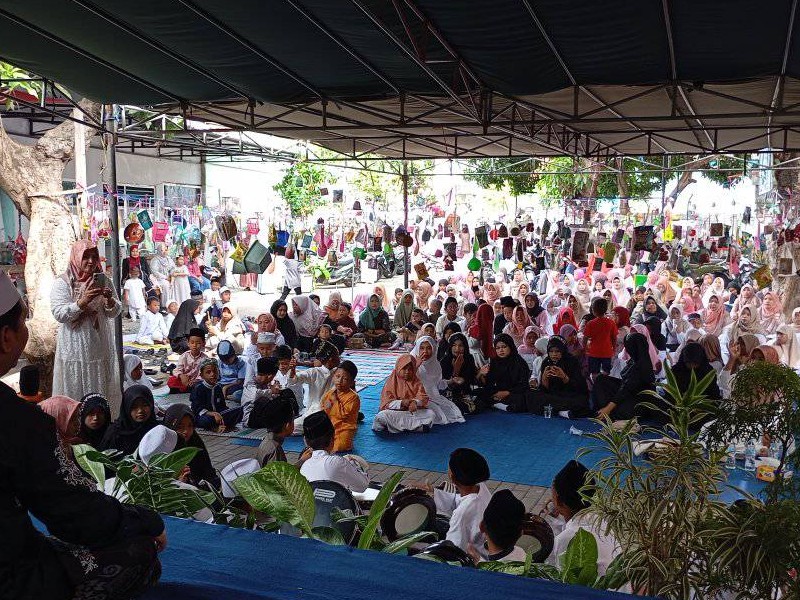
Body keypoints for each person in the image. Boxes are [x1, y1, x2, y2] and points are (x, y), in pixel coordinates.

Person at [0, 270, 166, 599]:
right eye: (23, 321)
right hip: (11, 578)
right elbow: (74, 514)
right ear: (6, 337)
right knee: (139, 553)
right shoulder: (17, 421)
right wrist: (145, 522)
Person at [51, 239, 123, 413]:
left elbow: (114, 312)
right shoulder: (63, 282)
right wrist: (82, 302)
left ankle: (100, 420)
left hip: (100, 344)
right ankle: (76, 423)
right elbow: (59, 314)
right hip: (74, 346)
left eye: (94, 256)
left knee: (100, 384)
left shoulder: (103, 280)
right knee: (75, 385)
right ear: (76, 257)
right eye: (85, 257)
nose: (91, 261)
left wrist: (109, 301)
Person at [546, 460, 619, 577]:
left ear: (558, 500)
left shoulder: (566, 539)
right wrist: (557, 519)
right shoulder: (602, 522)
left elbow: (557, 574)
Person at [430, 448, 492, 559]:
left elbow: (452, 551)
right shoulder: (480, 486)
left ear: (452, 477)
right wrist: (433, 493)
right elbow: (459, 500)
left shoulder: (462, 513)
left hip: (475, 558)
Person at [298, 411, 369, 492]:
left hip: (311, 500)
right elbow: (363, 486)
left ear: (306, 441)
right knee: (357, 462)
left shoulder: (304, 466)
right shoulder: (337, 462)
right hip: (335, 500)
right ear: (332, 439)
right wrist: (353, 464)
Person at [593, 332, 656, 421]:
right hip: (630, 394)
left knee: (620, 412)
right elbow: (624, 385)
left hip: (640, 403)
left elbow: (626, 389)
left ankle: (605, 412)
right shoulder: (636, 360)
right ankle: (603, 410)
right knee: (601, 379)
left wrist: (608, 409)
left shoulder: (641, 366)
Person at [528, 336, 590, 418]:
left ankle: (556, 410)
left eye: (557, 351)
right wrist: (544, 378)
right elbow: (544, 390)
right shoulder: (546, 362)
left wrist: (564, 377)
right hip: (553, 396)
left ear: (563, 350)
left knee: (581, 402)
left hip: (570, 395)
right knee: (532, 395)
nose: (554, 354)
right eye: (551, 351)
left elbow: (580, 388)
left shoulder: (571, 362)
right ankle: (561, 412)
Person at [373, 354, 436, 433]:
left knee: (431, 414)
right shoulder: (391, 381)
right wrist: (401, 403)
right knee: (381, 416)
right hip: (395, 412)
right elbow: (386, 403)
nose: (407, 372)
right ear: (398, 368)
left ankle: (394, 427)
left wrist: (415, 402)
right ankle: (417, 427)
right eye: (404, 368)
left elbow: (423, 397)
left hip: (410, 413)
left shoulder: (416, 381)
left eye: (410, 369)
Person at [411, 336, 466, 425]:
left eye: (429, 348)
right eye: (422, 348)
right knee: (433, 413)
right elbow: (404, 382)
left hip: (431, 397)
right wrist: (416, 366)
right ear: (417, 348)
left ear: (433, 349)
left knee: (449, 410)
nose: (425, 351)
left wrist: (451, 381)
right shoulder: (410, 361)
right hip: (413, 396)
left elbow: (437, 384)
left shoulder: (435, 364)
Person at [163, 404, 220, 489]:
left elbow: (208, 472)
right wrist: (180, 483)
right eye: (180, 426)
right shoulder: (163, 449)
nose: (186, 431)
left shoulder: (195, 442)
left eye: (190, 426)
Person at [288, 341, 340, 435]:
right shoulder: (314, 372)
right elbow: (295, 379)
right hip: (315, 411)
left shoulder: (339, 372)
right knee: (292, 428)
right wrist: (292, 370)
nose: (339, 358)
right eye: (337, 356)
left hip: (334, 411)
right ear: (331, 359)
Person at [476, 333, 531, 412]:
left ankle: (498, 404)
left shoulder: (519, 363)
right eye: (497, 348)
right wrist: (482, 374)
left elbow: (523, 384)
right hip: (498, 391)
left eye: (504, 347)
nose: (501, 350)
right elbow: (489, 382)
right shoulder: (495, 361)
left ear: (510, 346)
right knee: (479, 393)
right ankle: (500, 404)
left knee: (522, 399)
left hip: (513, 392)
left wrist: (506, 393)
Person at [101, 384, 159, 455]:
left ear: (151, 405)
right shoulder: (115, 434)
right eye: (134, 407)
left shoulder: (158, 430)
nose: (140, 411)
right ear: (126, 407)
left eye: (145, 405)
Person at [190, 358, 243, 432]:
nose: (212, 374)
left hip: (218, 414)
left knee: (239, 410)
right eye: (208, 372)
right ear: (202, 375)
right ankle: (214, 427)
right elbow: (196, 408)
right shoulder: (198, 388)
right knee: (206, 420)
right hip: (204, 415)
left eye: (215, 371)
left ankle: (222, 424)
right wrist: (212, 414)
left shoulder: (218, 387)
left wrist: (224, 413)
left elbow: (222, 406)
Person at [474, 489, 527, 563]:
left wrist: (476, 560)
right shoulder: (522, 553)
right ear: (521, 533)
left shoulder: (480, 567)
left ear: (481, 526)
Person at [320, 360, 360, 452]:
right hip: (329, 427)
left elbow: (343, 415)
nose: (339, 381)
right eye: (337, 376)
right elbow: (323, 409)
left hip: (344, 429)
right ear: (333, 376)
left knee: (341, 445)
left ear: (352, 382)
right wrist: (325, 409)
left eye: (345, 379)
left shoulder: (353, 397)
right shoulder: (330, 393)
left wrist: (335, 401)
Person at [252, 392, 295, 466]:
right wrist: (301, 462)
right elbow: (279, 473)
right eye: (293, 420)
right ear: (287, 426)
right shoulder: (275, 450)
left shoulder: (267, 440)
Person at [241, 356, 281, 426]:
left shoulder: (266, 384)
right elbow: (255, 395)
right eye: (260, 374)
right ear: (270, 376)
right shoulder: (249, 384)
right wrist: (271, 391)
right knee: (264, 400)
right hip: (250, 420)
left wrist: (277, 392)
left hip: (263, 417)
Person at [583, 297, 618, 378]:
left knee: (594, 373)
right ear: (605, 309)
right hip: (607, 352)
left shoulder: (591, 323)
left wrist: (584, 348)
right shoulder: (611, 323)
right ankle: (604, 385)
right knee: (606, 373)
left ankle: (595, 384)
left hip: (593, 352)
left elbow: (585, 338)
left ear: (593, 310)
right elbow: (614, 338)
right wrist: (614, 349)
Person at [167, 328, 208, 393]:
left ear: (203, 344)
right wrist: (181, 376)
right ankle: (187, 388)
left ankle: (186, 389)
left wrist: (196, 380)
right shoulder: (184, 356)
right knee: (171, 380)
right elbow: (177, 370)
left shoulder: (205, 358)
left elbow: (204, 373)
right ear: (188, 343)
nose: (194, 345)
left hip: (197, 382)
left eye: (198, 343)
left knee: (203, 383)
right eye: (192, 343)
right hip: (184, 380)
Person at [440, 332, 478, 404]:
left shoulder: (469, 358)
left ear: (465, 347)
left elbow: (472, 379)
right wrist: (455, 370)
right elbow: (441, 383)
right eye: (454, 345)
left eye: (460, 345)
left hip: (465, 393)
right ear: (450, 346)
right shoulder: (445, 360)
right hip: (448, 394)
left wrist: (464, 380)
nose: (457, 349)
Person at [148, 243, 174, 307]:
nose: (164, 252)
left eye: (166, 250)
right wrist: (165, 277)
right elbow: (154, 272)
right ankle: (165, 305)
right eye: (162, 250)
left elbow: (173, 268)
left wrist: (171, 276)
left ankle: (173, 303)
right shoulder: (155, 260)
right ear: (159, 250)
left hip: (169, 277)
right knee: (166, 284)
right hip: (158, 279)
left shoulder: (169, 259)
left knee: (175, 282)